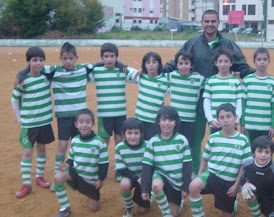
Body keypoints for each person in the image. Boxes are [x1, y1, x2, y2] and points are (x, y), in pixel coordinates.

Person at [163, 9, 255, 178]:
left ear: (218, 23)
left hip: (221, 101)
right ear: (202, 23)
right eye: (206, 21)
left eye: (213, 21)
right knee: (195, 140)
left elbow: (242, 66)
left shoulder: (228, 44)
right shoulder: (192, 43)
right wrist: (156, 71)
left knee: (221, 139)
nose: (210, 24)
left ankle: (221, 172)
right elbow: (176, 61)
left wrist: (257, 75)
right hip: (196, 100)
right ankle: (195, 171)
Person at [16, 42, 100, 190]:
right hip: (63, 117)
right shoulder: (54, 71)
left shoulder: (83, 69)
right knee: (62, 146)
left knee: (78, 145)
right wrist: (21, 73)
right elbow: (35, 66)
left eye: (71, 58)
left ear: (76, 58)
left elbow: (101, 63)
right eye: (65, 58)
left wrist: (118, 63)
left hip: (80, 117)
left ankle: (77, 175)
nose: (68, 61)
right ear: (60, 58)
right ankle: (57, 178)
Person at [187, 103, 252, 217]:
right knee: (193, 186)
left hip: (229, 181)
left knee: (227, 216)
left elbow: (243, 166)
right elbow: (205, 159)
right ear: (217, 120)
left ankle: (232, 204)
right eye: (221, 117)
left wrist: (236, 185)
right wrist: (200, 175)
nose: (225, 120)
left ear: (236, 117)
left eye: (229, 116)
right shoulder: (213, 138)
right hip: (212, 175)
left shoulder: (243, 140)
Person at [11, 47, 55, 198]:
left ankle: (39, 176)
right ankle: (26, 184)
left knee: (42, 148)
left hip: (44, 121)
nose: (38, 63)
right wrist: (19, 118)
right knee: (28, 152)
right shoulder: (23, 80)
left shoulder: (46, 76)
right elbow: (14, 100)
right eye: (34, 60)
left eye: (41, 60)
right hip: (29, 123)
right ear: (28, 61)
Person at [140, 106, 192, 217]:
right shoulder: (152, 142)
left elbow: (187, 166)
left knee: (176, 213)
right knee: (156, 185)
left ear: (175, 123)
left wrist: (185, 187)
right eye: (164, 120)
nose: (167, 123)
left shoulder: (182, 140)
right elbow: (147, 167)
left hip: (177, 182)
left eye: (171, 120)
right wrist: (145, 189)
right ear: (158, 122)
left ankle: (176, 205)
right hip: (161, 176)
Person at [53, 109, 109, 217]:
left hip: (91, 181)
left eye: (88, 122)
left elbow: (104, 164)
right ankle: (65, 208)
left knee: (93, 208)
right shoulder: (74, 140)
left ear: (93, 124)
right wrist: (67, 165)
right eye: (81, 122)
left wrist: (101, 179)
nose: (84, 125)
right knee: (58, 177)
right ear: (76, 124)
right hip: (76, 174)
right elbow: (71, 158)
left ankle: (94, 197)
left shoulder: (99, 142)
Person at [92, 43, 137, 181]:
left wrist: (122, 65)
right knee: (103, 143)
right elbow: (82, 71)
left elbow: (137, 75)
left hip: (120, 113)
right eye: (106, 56)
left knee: (119, 141)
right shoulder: (96, 71)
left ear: (116, 57)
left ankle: (119, 169)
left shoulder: (122, 71)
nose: (109, 59)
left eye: (112, 56)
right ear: (102, 57)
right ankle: (101, 169)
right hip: (104, 115)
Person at [240, 135, 274, 217]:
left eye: (267, 152)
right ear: (253, 153)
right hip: (257, 195)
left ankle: (267, 216)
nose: (263, 155)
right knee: (247, 191)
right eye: (259, 151)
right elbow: (242, 178)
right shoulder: (247, 164)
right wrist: (245, 183)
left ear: (271, 154)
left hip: (270, 200)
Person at [168, 51, 206, 155]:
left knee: (187, 147)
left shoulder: (198, 79)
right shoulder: (171, 76)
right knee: (173, 144)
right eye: (180, 64)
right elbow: (155, 76)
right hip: (175, 120)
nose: (183, 66)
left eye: (186, 63)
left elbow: (214, 83)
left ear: (192, 65)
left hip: (190, 121)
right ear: (176, 65)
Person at [241, 48, 274, 143]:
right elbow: (243, 103)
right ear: (254, 62)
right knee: (250, 152)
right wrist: (242, 123)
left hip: (265, 126)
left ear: (269, 61)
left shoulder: (272, 82)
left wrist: (273, 125)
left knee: (264, 151)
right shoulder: (247, 80)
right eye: (259, 59)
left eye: (264, 59)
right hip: (250, 125)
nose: (262, 62)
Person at [115, 118, 150, 217]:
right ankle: (129, 207)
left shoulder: (147, 145)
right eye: (129, 133)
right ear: (123, 134)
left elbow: (151, 166)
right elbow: (121, 169)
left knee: (142, 211)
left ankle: (149, 198)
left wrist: (144, 179)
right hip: (130, 176)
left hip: (144, 177)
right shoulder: (120, 148)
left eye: (136, 133)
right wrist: (136, 178)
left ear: (142, 134)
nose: (133, 136)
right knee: (124, 184)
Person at [203, 48, 243, 134]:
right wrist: (210, 119)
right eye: (220, 61)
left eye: (226, 61)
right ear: (215, 63)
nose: (223, 64)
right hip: (216, 123)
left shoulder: (236, 82)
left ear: (231, 63)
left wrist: (236, 120)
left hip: (232, 123)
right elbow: (206, 103)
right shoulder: (210, 81)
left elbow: (239, 103)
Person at [134, 52, 169, 141]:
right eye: (148, 63)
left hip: (154, 121)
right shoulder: (141, 76)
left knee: (152, 146)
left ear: (159, 64)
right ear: (144, 65)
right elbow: (126, 70)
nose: (151, 65)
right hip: (139, 119)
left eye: (154, 62)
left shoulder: (166, 80)